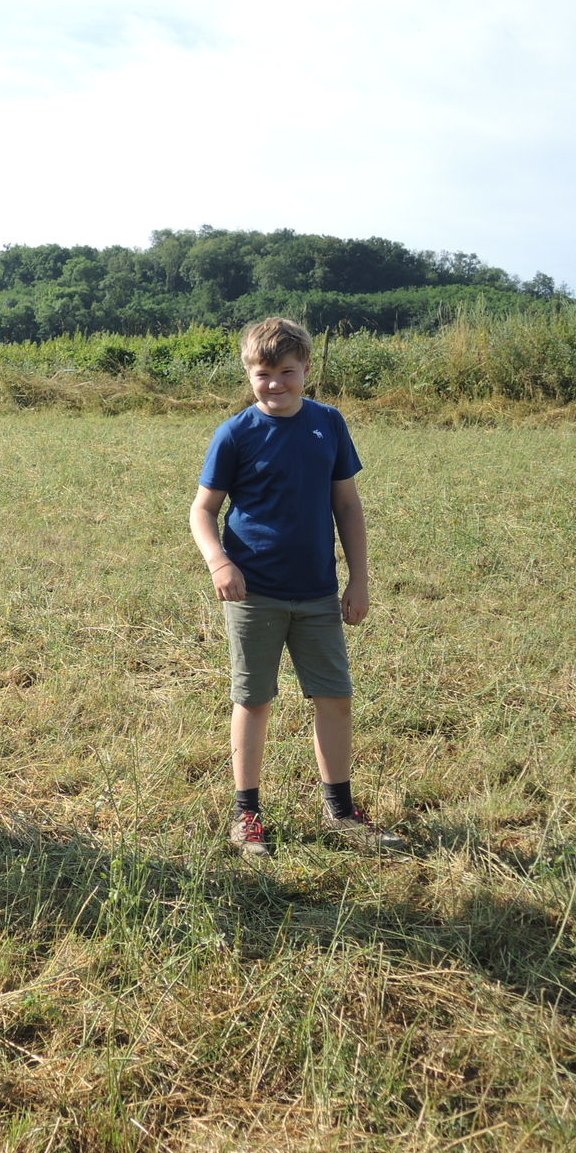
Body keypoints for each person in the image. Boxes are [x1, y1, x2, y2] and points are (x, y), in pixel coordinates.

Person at [188, 317, 404, 858]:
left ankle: (341, 812)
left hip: (318, 593)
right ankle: (247, 815)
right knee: (253, 700)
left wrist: (359, 580)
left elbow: (347, 505)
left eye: (287, 372)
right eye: (263, 374)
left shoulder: (328, 423)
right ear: (248, 373)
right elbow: (203, 510)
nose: (275, 384)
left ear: (307, 369)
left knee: (335, 699)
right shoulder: (236, 433)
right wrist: (219, 563)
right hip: (253, 593)